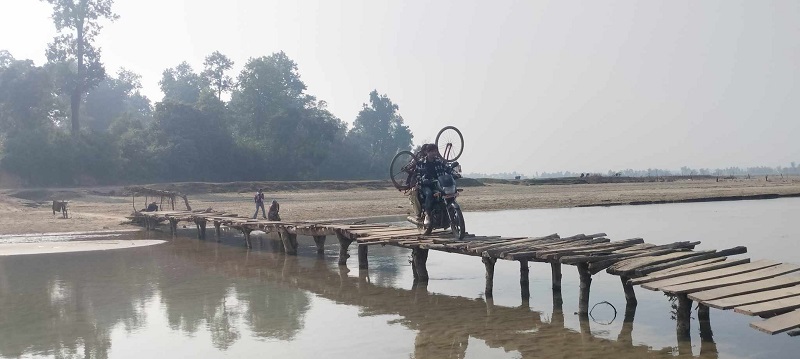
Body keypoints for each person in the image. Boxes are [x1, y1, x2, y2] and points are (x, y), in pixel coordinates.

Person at [415, 144, 452, 225]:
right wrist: (422, 181)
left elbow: (447, 168)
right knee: (429, 194)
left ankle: (449, 214)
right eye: (431, 151)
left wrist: (455, 173)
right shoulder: (421, 162)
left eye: (435, 151)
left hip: (438, 183)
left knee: (449, 193)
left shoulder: (438, 161)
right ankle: (427, 214)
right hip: (426, 185)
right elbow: (418, 175)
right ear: (427, 152)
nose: (434, 153)